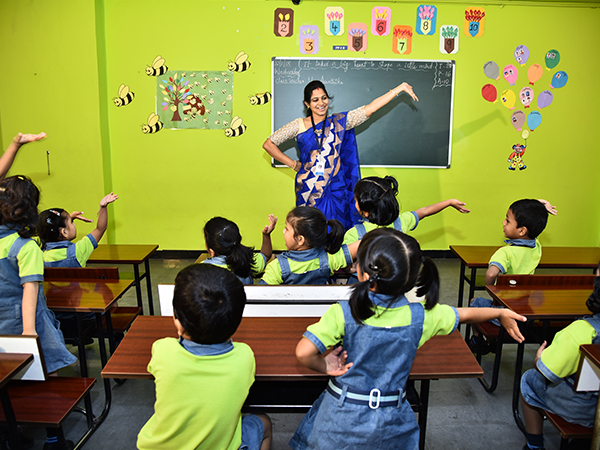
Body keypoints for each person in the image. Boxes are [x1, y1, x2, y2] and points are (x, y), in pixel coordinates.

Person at [289, 228, 526, 450]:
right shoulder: (422, 317)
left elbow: (303, 352)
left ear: (362, 272)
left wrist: (325, 364)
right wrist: (500, 312)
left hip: (340, 418)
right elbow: (465, 313)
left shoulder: (343, 312)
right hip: (392, 420)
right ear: (412, 278)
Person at [137, 264, 272, 450]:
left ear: (178, 321)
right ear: (237, 321)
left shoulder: (163, 350)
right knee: (263, 422)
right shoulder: (245, 356)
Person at [262, 80, 419, 230]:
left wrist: (399, 89)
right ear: (307, 104)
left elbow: (369, 109)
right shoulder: (299, 125)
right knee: (311, 230)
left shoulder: (339, 122)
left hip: (338, 187)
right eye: (315, 100)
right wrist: (294, 164)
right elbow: (268, 144)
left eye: (324, 98)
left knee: (339, 229)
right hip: (310, 189)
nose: (321, 103)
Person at [520, 262, 600, 450]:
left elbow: (548, 372)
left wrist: (539, 359)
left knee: (530, 378)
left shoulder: (581, 331)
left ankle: (534, 445)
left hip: (584, 409)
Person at [469, 198, 557, 352]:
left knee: (474, 302)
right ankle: (493, 342)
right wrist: (541, 206)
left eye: (508, 221)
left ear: (522, 230)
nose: (503, 222)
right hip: (526, 312)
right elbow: (533, 223)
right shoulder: (536, 247)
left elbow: (491, 274)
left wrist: (490, 287)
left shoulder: (505, 253)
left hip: (504, 312)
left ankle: (477, 341)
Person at [343, 175, 469, 282]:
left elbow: (345, 264)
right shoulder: (402, 222)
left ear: (365, 212)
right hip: (395, 281)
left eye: (355, 199)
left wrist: (350, 269)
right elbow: (425, 211)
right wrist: (449, 202)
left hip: (361, 286)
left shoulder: (354, 234)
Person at [260, 206, 359, 285]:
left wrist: (266, 235)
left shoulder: (277, 267)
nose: (283, 231)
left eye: (287, 229)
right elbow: (358, 245)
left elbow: (259, 295)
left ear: (300, 240)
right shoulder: (329, 259)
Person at [38, 193, 119, 267]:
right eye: (71, 222)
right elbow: (100, 229)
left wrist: (68, 220)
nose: (74, 224)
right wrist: (103, 207)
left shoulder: (40, 256)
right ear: (64, 232)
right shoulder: (78, 251)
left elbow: (46, 231)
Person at [203, 214, 277, 284]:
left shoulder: (202, 270)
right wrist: (266, 235)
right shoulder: (246, 260)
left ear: (211, 251)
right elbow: (265, 255)